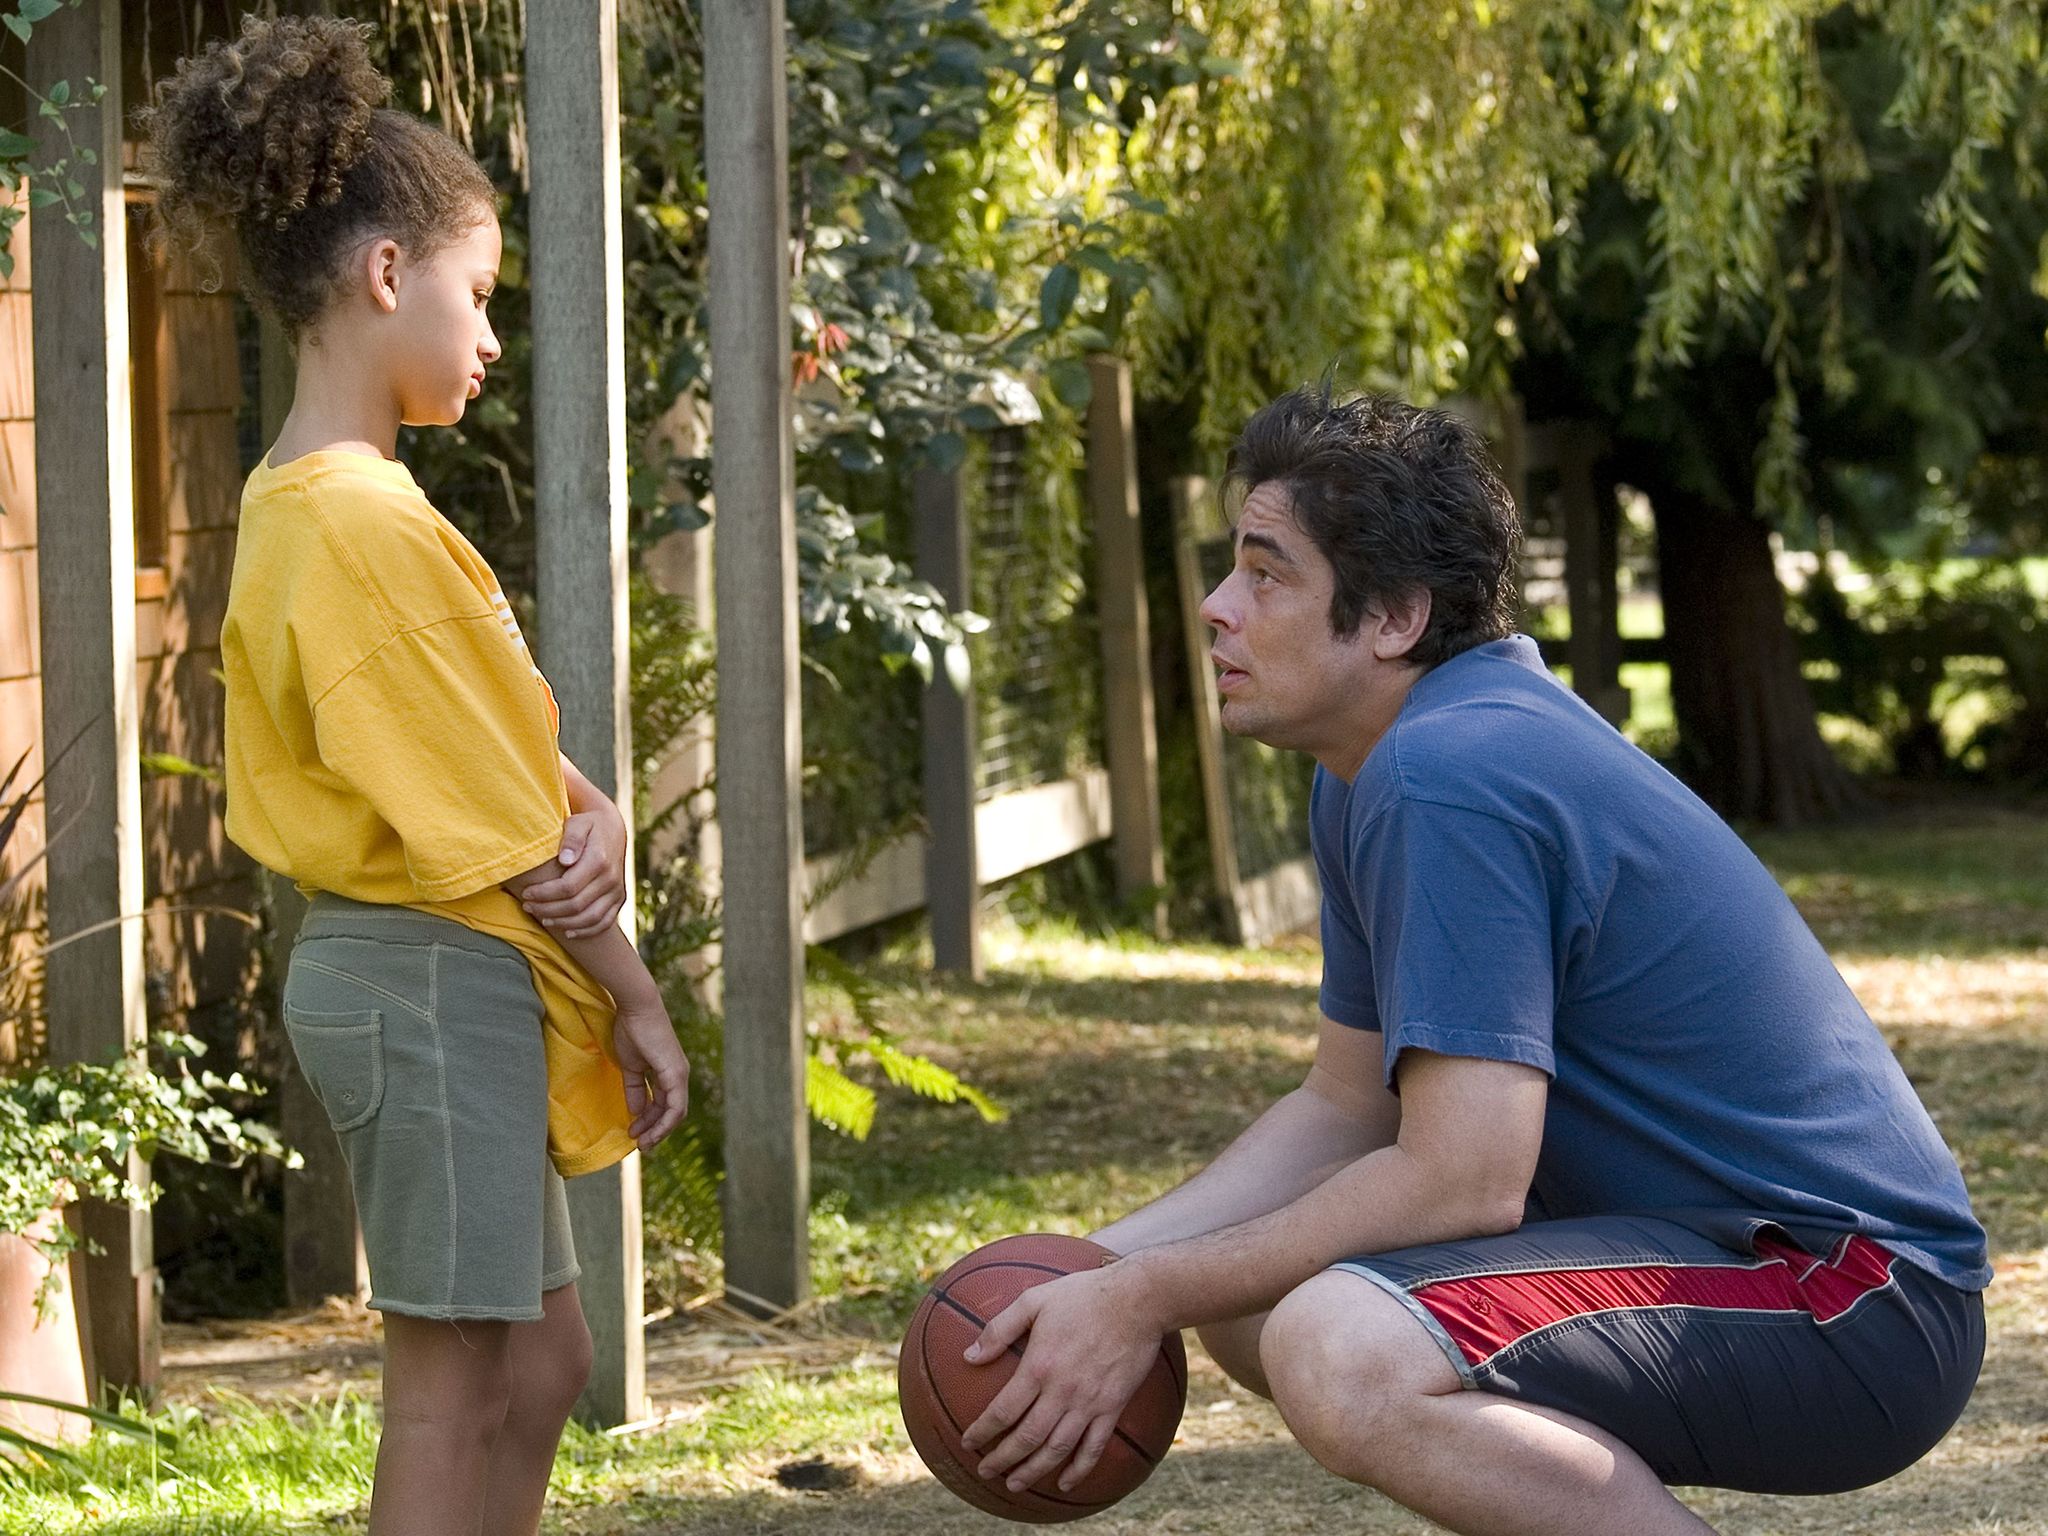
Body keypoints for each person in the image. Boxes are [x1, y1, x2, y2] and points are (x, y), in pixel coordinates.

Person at [957, 385, 1988, 1534]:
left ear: (1393, 616)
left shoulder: (1448, 771)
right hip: (1764, 1267)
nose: (1214, 606)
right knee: (1253, 1307)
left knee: (1334, 1342)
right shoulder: (1384, 765)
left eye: (1265, 572)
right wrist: (1085, 1274)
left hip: (1848, 1298)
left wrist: (1141, 1293)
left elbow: (1463, 1178)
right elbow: (1343, 1108)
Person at [147, 18, 690, 1535]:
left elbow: (475, 740)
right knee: (453, 1389)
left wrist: (594, 809)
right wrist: (638, 997)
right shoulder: (355, 523)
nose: (492, 336)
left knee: (546, 1358)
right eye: (481, 293)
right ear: (389, 275)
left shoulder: (340, 501)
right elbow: (491, 823)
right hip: (430, 972)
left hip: (450, 973)